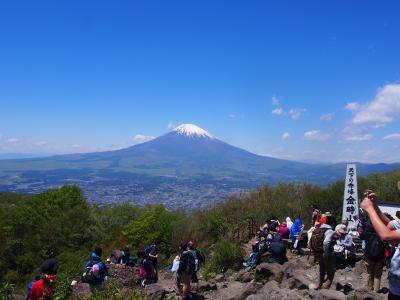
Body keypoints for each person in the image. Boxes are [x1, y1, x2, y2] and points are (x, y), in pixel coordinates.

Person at [360, 189, 400, 298]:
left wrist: (370, 209)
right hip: (395, 288)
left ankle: (370, 290)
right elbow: (389, 222)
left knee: (370, 273)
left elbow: (386, 235)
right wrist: (374, 206)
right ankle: (375, 291)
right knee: (378, 273)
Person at [310, 215, 337, 289]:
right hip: (326, 253)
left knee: (322, 269)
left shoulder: (319, 229)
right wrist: (326, 253)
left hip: (318, 252)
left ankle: (320, 284)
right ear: (332, 223)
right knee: (331, 271)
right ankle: (325, 288)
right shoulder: (330, 231)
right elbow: (326, 242)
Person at [360, 217, 385, 291]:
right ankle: (376, 289)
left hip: (369, 255)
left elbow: (361, 236)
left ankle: (369, 288)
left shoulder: (366, 232)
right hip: (379, 255)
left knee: (369, 273)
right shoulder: (381, 233)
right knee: (378, 274)